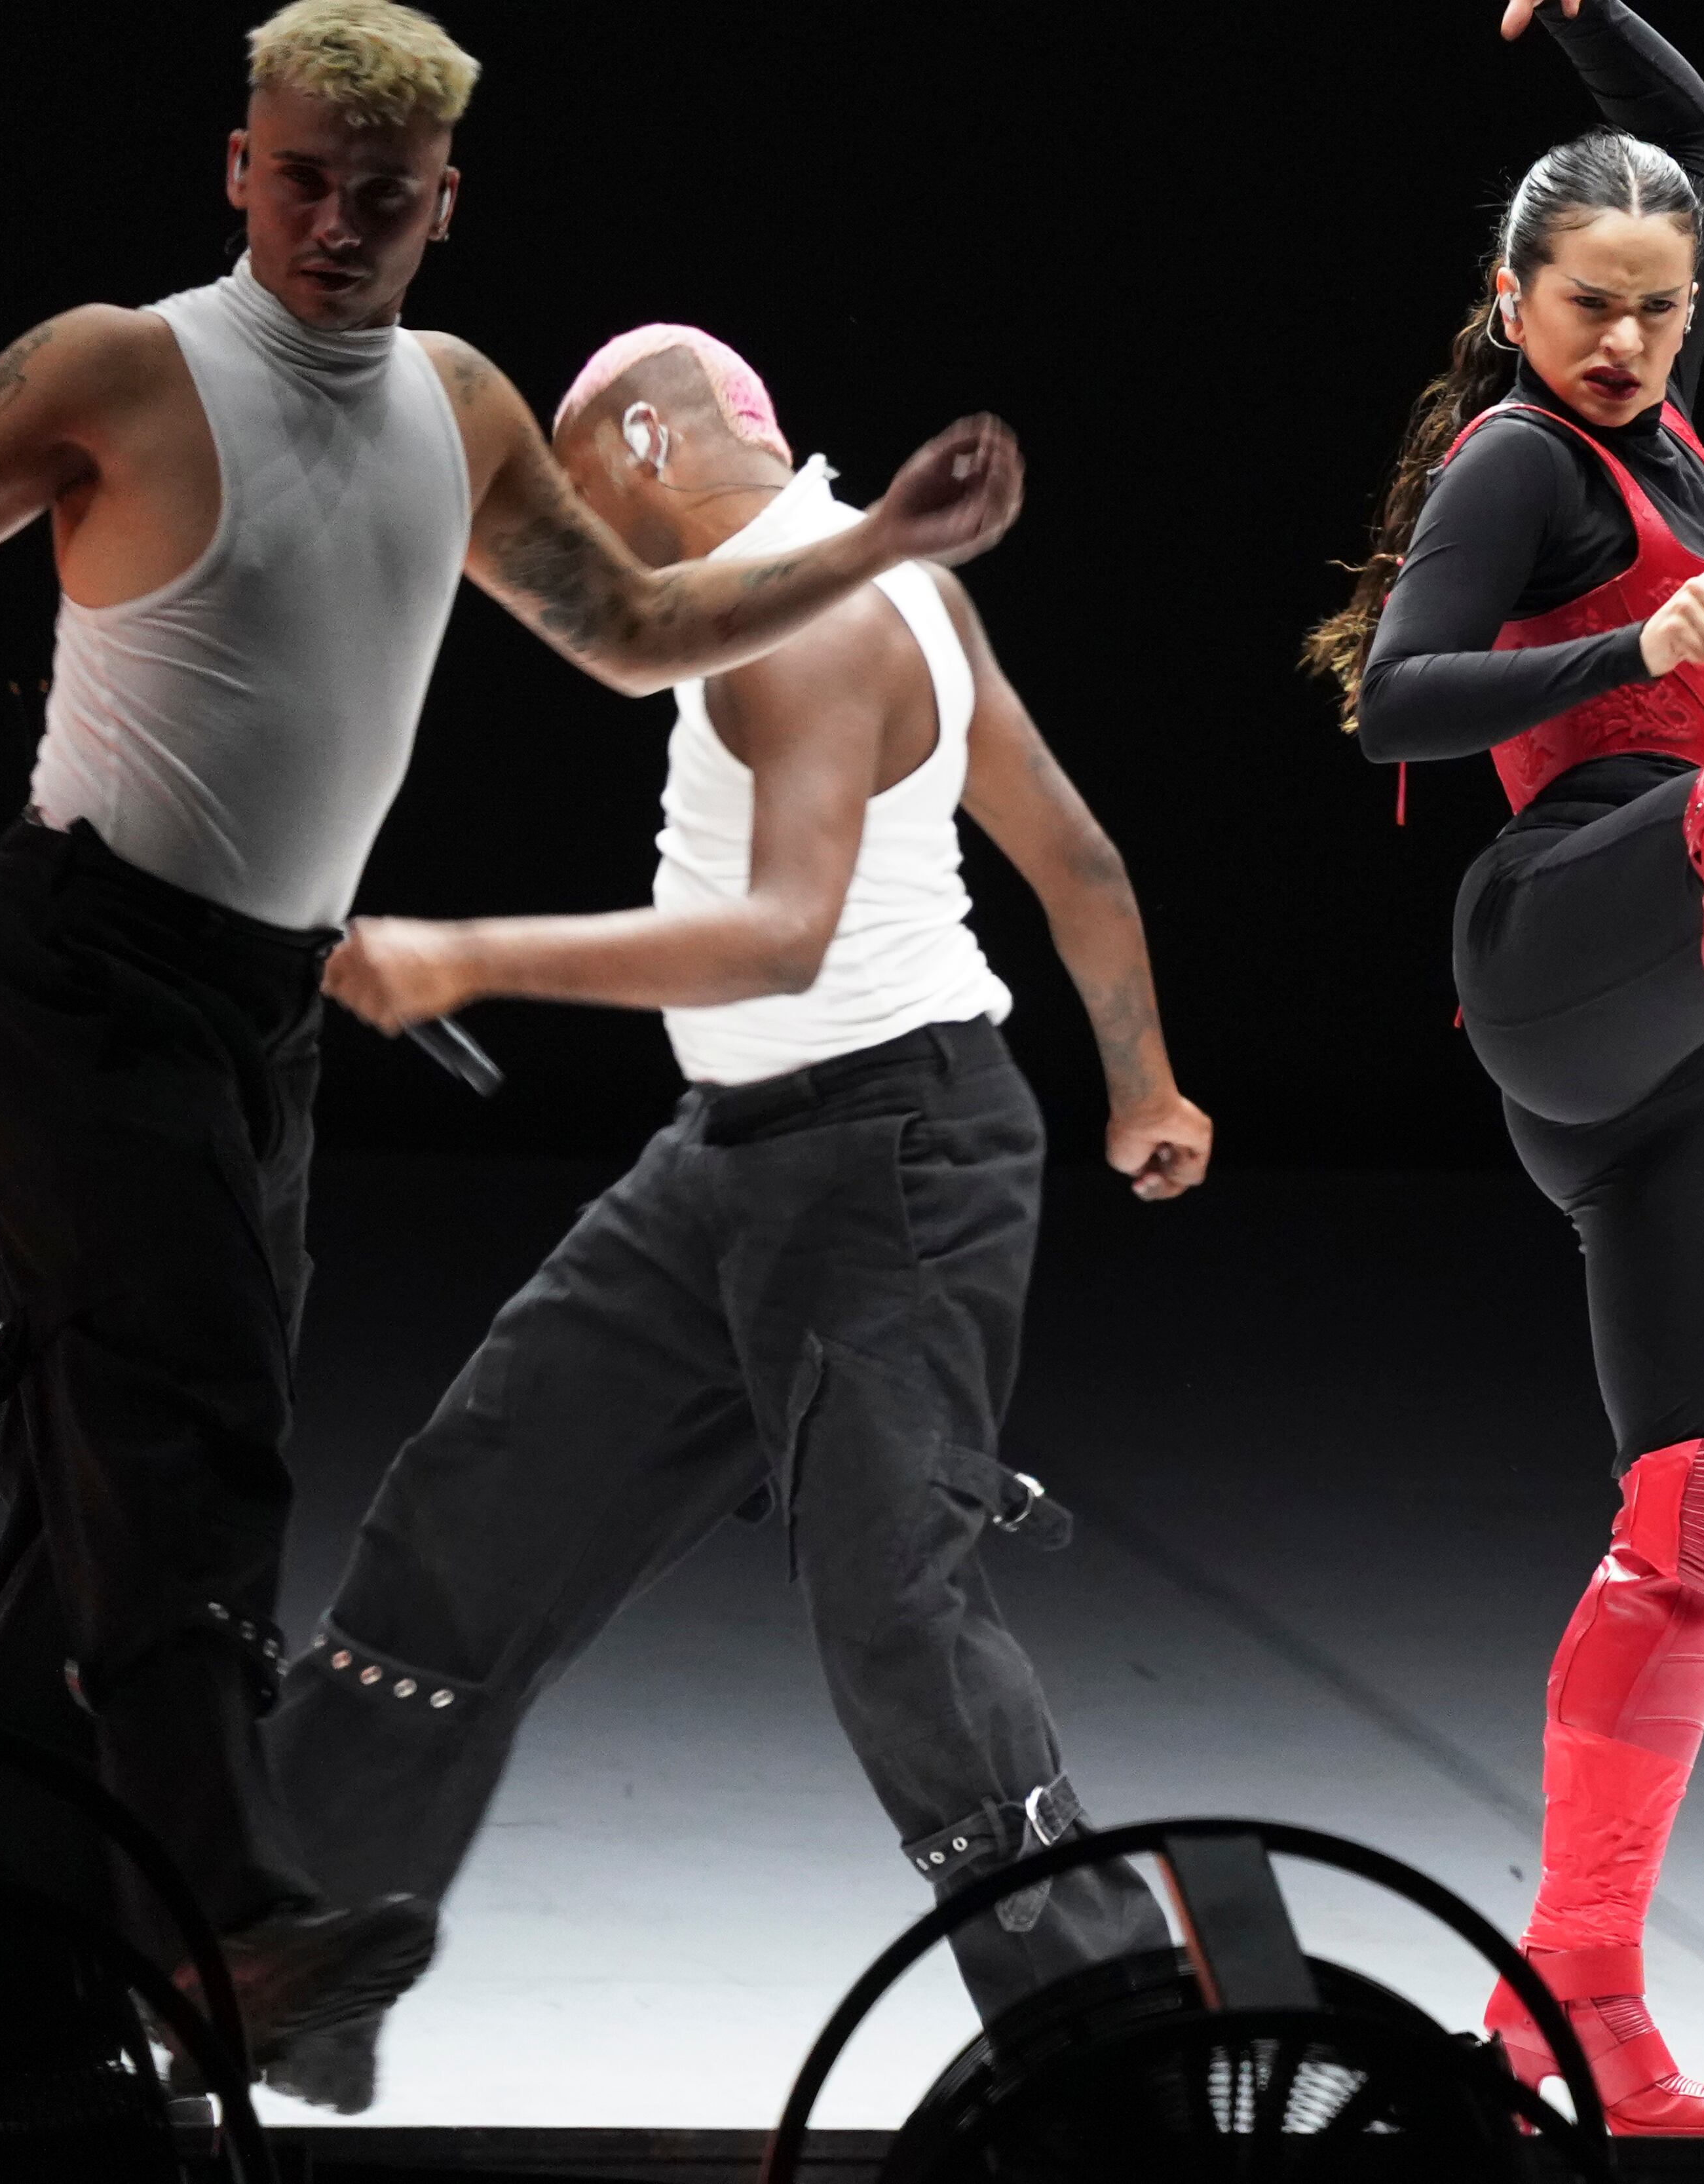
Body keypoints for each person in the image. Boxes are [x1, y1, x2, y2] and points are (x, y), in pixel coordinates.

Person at [0, 0, 1021, 2097]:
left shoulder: (459, 401)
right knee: (189, 1430)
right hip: (81, 978)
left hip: (258, 1010)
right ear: (236, 166)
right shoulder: (119, 369)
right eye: (303, 178)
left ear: (449, 204)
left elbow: (623, 636)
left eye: (387, 193)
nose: (340, 224)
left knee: (99, 1500)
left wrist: (877, 544)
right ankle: (227, 1917)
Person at [241, 327, 1211, 2114]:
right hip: (737, 1160)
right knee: (476, 1505)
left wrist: (473, 955)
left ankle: (1135, 2073)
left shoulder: (813, 620)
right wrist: (1144, 1084)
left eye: (577, 479)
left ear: (643, 434)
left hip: (893, 1166)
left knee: (895, 1626)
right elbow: (1076, 857)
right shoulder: (877, 585)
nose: (575, 532)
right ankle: (284, 1973)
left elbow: (781, 932)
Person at [1298, 0, 1704, 2137]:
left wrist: (1585, 21)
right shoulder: (1519, 460)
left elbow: (1696, 127)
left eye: (1665, 308)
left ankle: (1571, 1999)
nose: (1636, 339)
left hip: (1677, 1063)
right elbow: (1396, 707)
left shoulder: (1673, 427)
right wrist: (1615, 653)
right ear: (1512, 299)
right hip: (1572, 939)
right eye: (1595, 306)